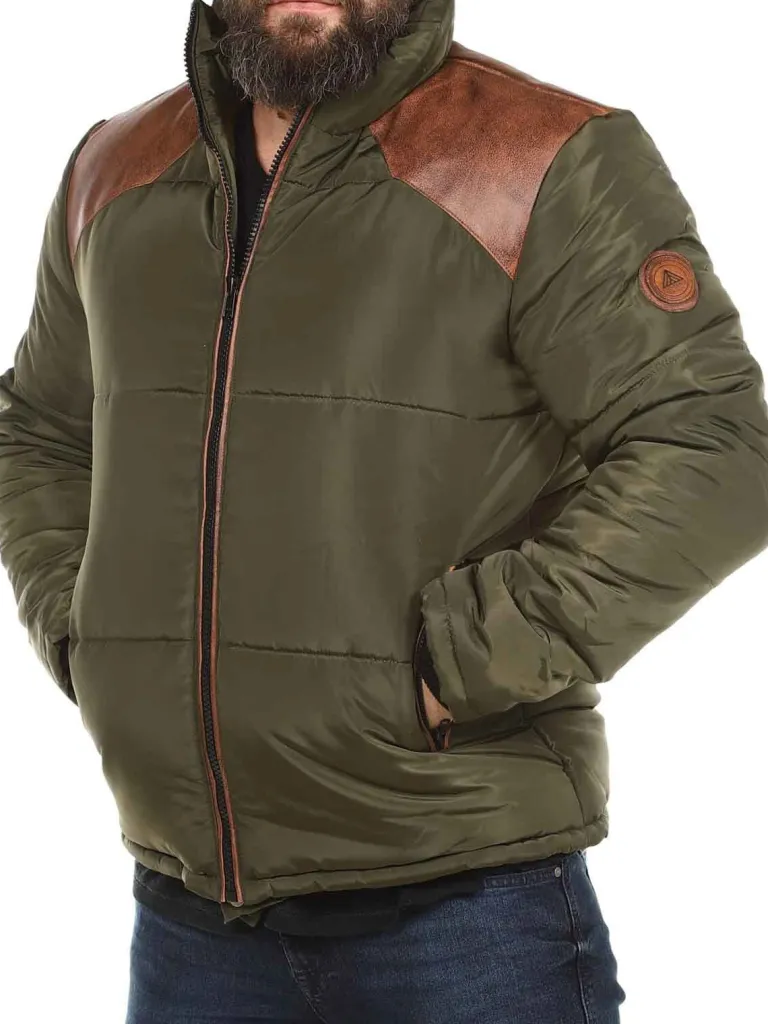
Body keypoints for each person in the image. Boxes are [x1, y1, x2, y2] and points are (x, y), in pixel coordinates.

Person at [1, 0, 766, 1020]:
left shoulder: (543, 157)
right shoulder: (114, 166)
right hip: (190, 912)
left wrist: (467, 657)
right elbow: (39, 430)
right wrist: (84, 627)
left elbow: (715, 446)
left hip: (464, 911)